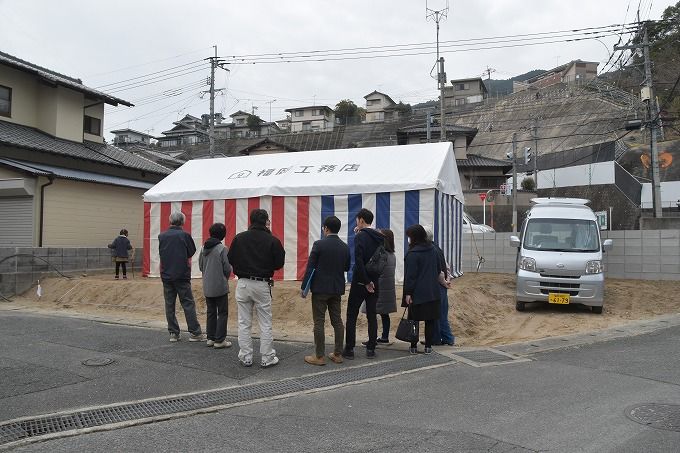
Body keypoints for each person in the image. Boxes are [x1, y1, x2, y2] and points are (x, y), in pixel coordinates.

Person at [228, 209, 285, 368]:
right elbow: (279, 263)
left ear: (251, 221)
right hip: (262, 283)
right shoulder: (272, 240)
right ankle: (267, 357)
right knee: (265, 322)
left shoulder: (239, 238)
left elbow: (230, 258)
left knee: (244, 322)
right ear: (266, 221)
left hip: (243, 282)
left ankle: (246, 356)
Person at [300, 215, 351, 366]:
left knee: (319, 322)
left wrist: (304, 288)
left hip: (320, 289)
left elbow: (310, 267)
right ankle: (337, 354)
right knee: (337, 321)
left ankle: (319, 356)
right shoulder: (345, 247)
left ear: (326, 228)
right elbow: (347, 268)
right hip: (336, 288)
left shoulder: (319, 244)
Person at [343, 208, 384, 360]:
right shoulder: (380, 236)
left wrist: (365, 281)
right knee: (372, 315)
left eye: (357, 220)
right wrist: (371, 281)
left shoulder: (360, 237)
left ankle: (349, 349)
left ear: (360, 220)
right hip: (375, 281)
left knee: (352, 314)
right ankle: (371, 348)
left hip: (361, 281)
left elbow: (359, 260)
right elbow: (379, 259)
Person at [158, 212, 203, 343]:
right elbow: (192, 251)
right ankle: (195, 332)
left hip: (166, 274)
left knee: (169, 304)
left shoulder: (162, 236)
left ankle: (173, 333)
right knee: (188, 303)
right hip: (182, 274)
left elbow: (161, 253)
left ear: (170, 221)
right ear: (182, 222)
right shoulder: (185, 235)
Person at [402, 224, 443, 355]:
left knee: (414, 320)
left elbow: (410, 276)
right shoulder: (433, 250)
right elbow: (438, 269)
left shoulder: (412, 254)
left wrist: (408, 293)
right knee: (430, 320)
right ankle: (428, 347)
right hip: (432, 292)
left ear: (414, 237)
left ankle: (413, 346)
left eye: (409, 237)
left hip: (417, 294)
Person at [199, 222, 233, 349]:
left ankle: (210, 338)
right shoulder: (222, 248)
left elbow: (200, 266)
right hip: (220, 285)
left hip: (207, 285)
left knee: (211, 312)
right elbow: (227, 268)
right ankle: (220, 340)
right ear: (223, 235)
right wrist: (225, 277)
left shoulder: (203, 248)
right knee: (222, 312)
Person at [362, 228, 397, 344]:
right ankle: (385, 336)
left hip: (379, 287)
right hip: (388, 288)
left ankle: (373, 338)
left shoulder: (380, 254)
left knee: (372, 314)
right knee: (384, 314)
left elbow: (373, 269)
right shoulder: (392, 255)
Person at [423, 225, 455, 346]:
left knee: (438, 314)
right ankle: (437, 338)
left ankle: (446, 338)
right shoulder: (437, 248)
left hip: (437, 286)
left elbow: (438, 272)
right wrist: (447, 280)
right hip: (441, 286)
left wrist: (444, 281)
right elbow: (446, 267)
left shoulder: (430, 250)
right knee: (440, 314)